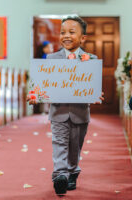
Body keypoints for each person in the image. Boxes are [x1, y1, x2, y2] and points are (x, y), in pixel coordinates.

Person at [28, 16, 104, 195]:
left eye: (71, 32)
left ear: (83, 38)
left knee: (75, 146)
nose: (66, 36)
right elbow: (42, 85)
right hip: (58, 111)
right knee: (59, 142)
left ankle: (72, 171)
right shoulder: (51, 59)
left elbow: (92, 87)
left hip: (80, 113)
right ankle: (60, 175)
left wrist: (95, 94)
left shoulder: (90, 60)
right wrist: (34, 95)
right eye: (63, 32)